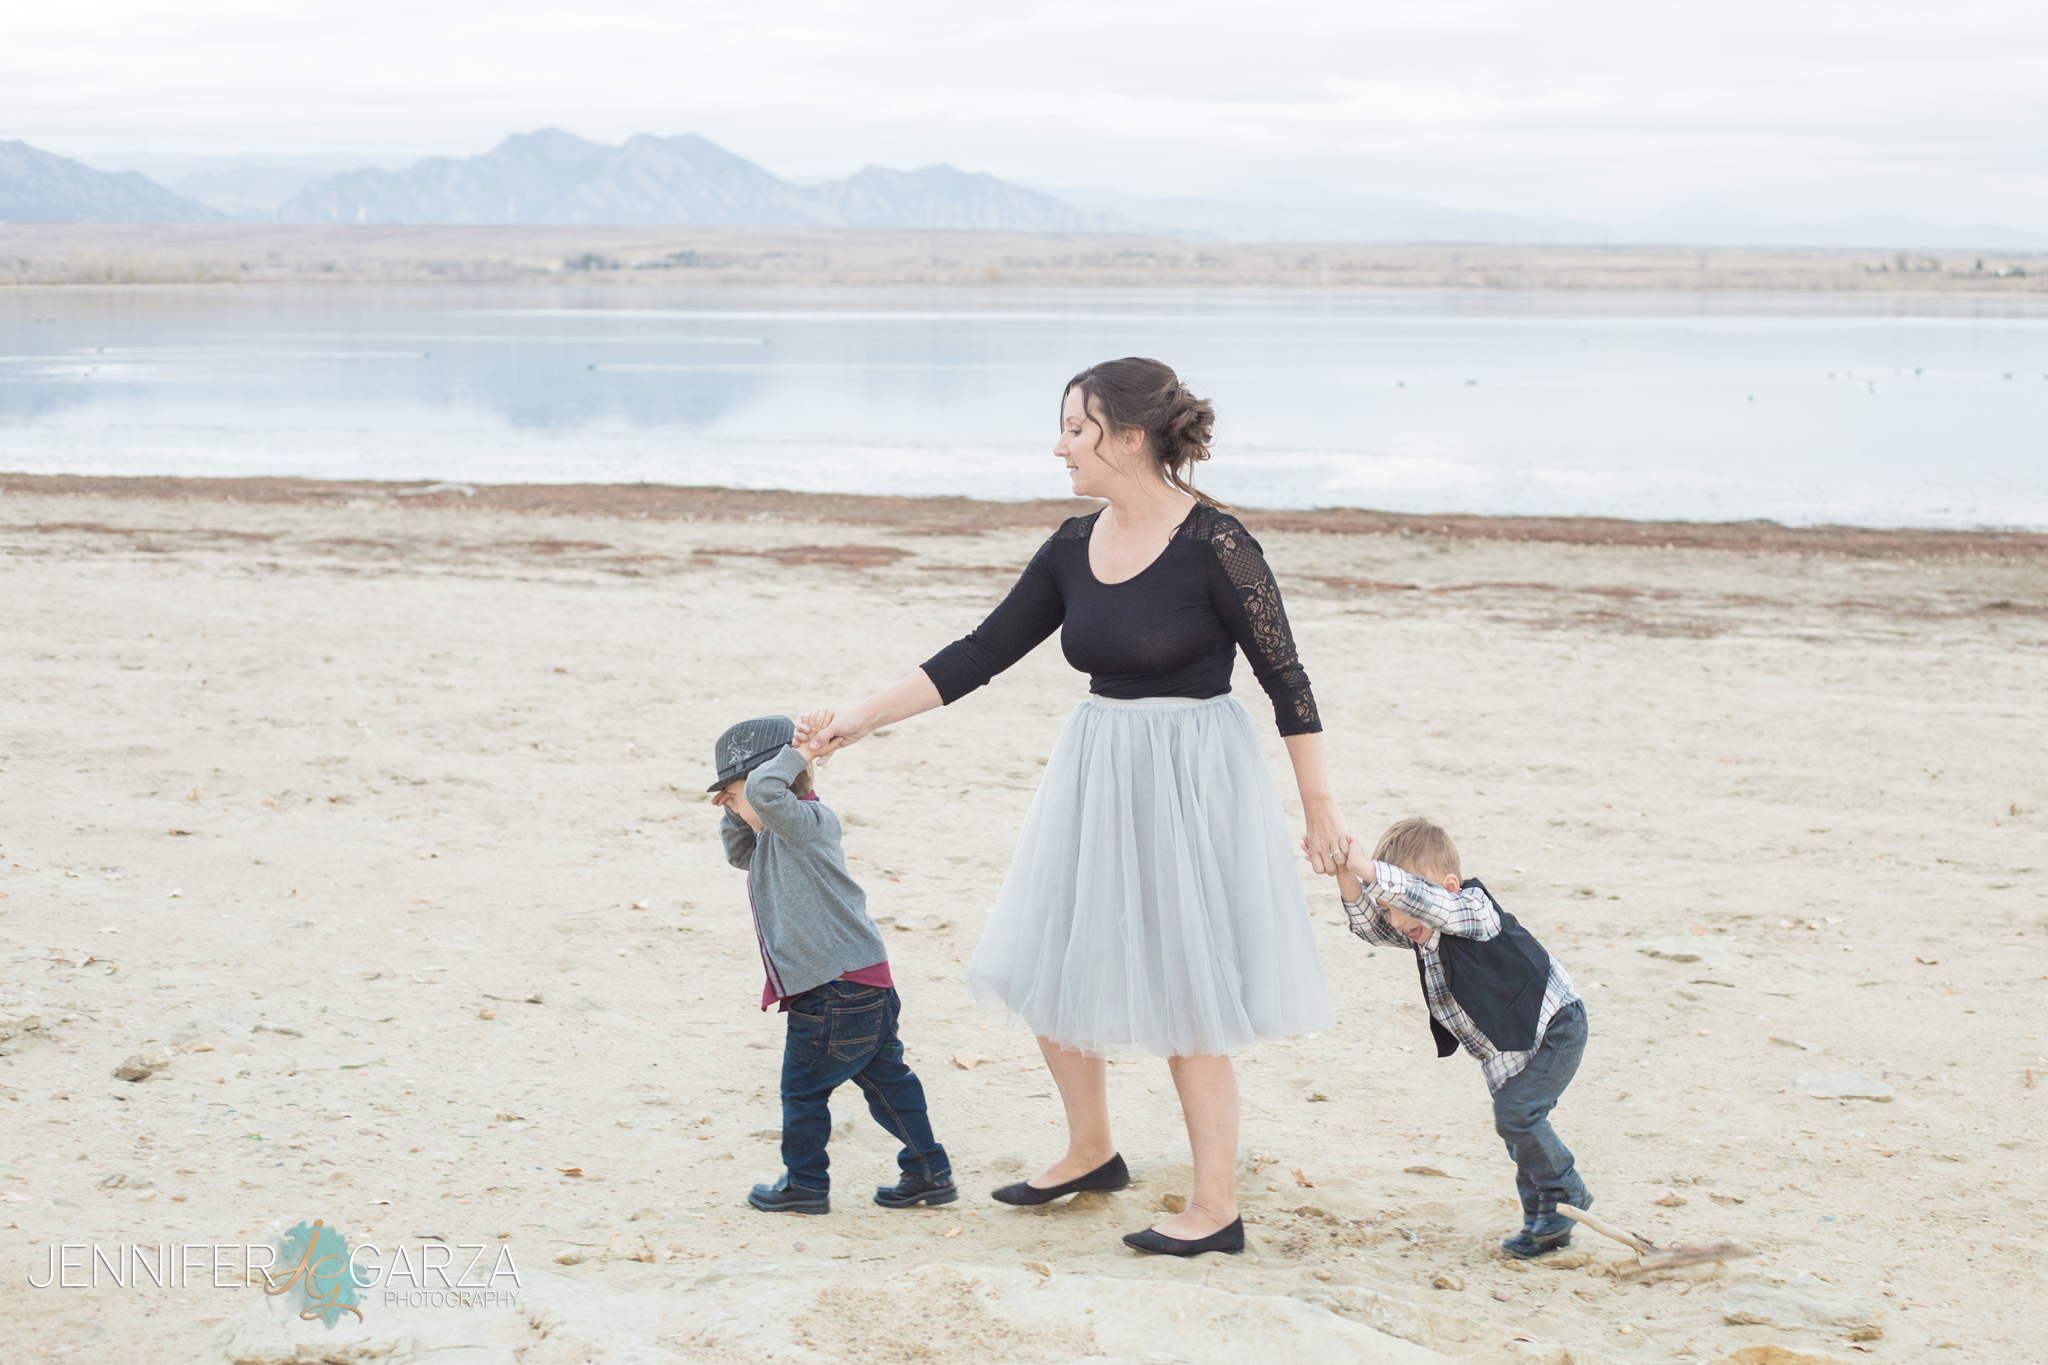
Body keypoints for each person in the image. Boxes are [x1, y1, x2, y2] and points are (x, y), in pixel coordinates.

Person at [800, 358, 1348, 1257]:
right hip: (1097, 764)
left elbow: (1289, 683)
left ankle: (1215, 1207)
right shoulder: (1069, 545)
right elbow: (978, 652)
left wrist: (1321, 812)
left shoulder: (1218, 544)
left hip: (1191, 775)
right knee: (1049, 953)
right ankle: (1091, 1149)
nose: (1060, 446)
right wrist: (859, 717)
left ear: (1129, 437)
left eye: (1076, 428)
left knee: (1187, 984)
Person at [710, 713, 954, 1215]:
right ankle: (929, 1172)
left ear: (770, 782)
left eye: (735, 795)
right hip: (860, 983)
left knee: (801, 1091)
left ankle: (805, 1184)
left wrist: (799, 755)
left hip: (834, 990)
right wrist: (735, 812)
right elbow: (740, 855)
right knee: (888, 1083)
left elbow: (766, 794)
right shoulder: (778, 839)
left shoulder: (807, 823)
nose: (735, 805)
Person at [1332, 817, 1592, 1258]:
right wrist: (1344, 869)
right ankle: (1543, 1225)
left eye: (1399, 904)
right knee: (1518, 1134)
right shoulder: (1418, 931)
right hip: (1508, 1052)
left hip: (1554, 1028)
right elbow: (1371, 926)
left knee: (1516, 1115)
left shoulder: (1472, 911)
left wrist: (1370, 869)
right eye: (1388, 907)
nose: (1395, 918)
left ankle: (1566, 1192)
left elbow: (1422, 900)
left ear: (1447, 886)